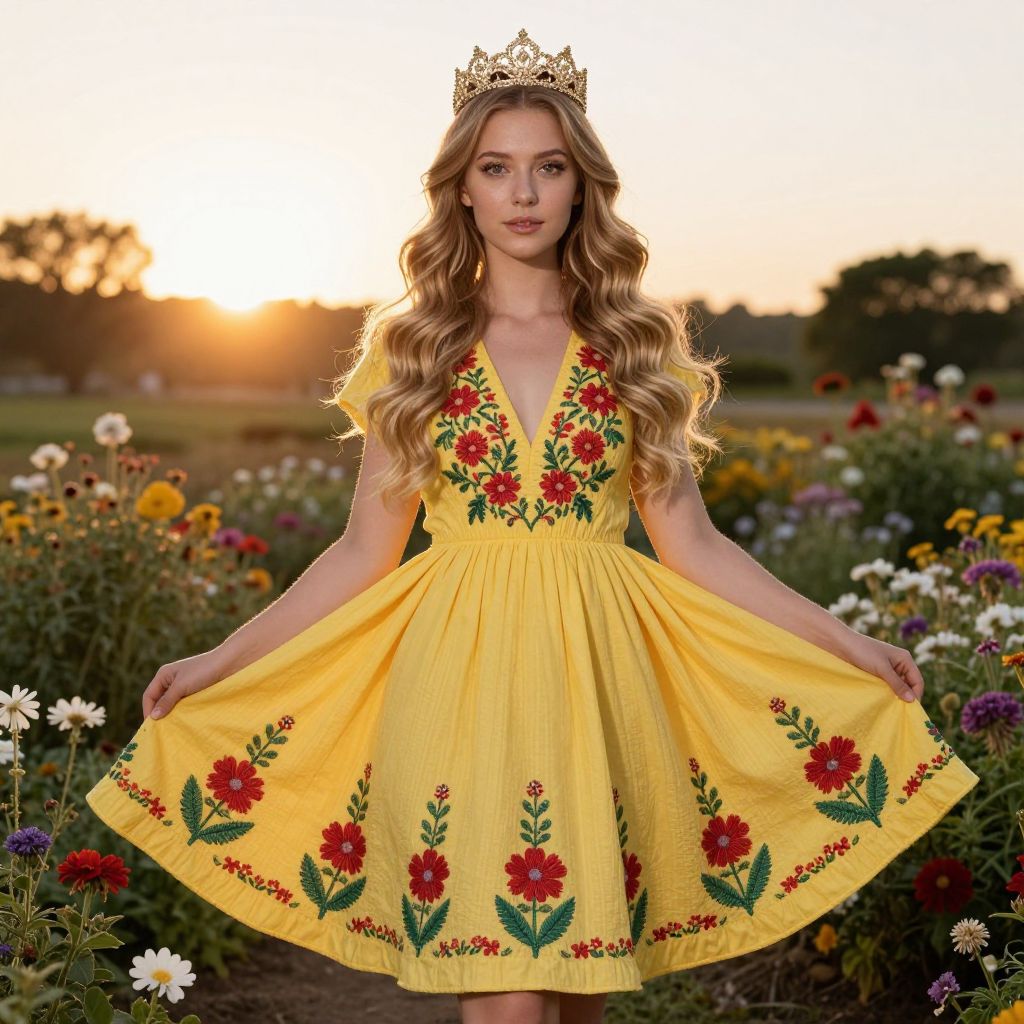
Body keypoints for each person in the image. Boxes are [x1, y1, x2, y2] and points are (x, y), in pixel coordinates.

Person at [85, 28, 981, 1024]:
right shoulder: (414, 346)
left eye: (547, 168)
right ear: (460, 189)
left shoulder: (634, 342)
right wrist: (220, 658)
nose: (522, 193)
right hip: (459, 677)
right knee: (507, 994)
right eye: (496, 168)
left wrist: (843, 639)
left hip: (599, 674)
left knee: (579, 986)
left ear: (580, 186)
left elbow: (691, 543)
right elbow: (361, 552)